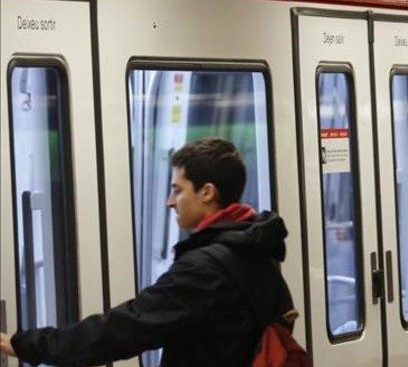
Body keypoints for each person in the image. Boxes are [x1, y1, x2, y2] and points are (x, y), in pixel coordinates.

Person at [0, 137, 296, 366]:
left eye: (178, 190)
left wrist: (27, 345)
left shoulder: (207, 268)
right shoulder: (255, 247)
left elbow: (127, 326)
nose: (170, 201)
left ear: (207, 192)